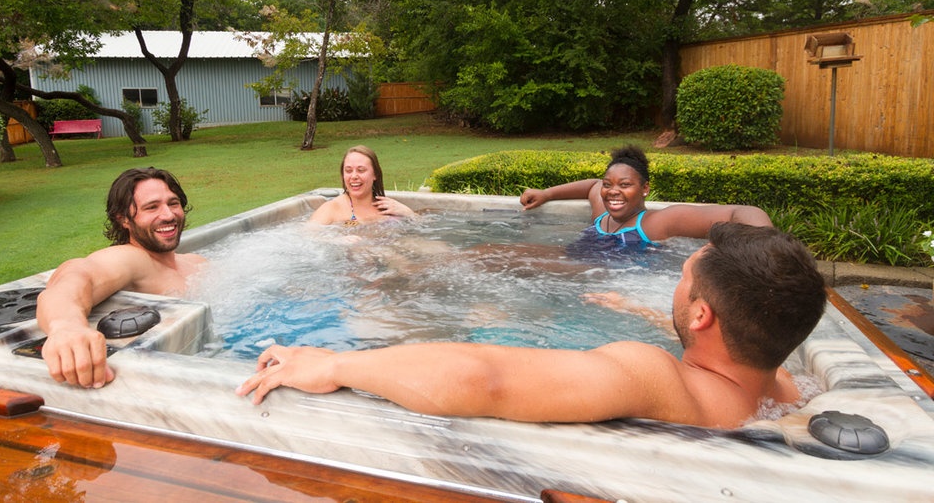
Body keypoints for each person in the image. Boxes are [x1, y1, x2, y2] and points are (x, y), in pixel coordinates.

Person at [236, 223, 827, 430]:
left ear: (701, 316)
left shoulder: (656, 377)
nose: (677, 283)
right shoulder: (786, 389)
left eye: (683, 279)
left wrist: (334, 363)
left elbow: (481, 377)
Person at [36, 167, 206, 388]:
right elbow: (75, 274)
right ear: (124, 219)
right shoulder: (133, 259)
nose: (168, 215)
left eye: (173, 203)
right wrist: (66, 326)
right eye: (152, 207)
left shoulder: (197, 262)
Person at [519, 145, 771, 246]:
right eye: (610, 184)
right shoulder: (601, 215)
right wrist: (546, 193)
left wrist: (767, 246)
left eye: (625, 184)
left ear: (645, 189)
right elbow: (592, 185)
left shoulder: (655, 224)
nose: (613, 191)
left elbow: (743, 212)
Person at [309, 145, 415, 226]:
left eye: (361, 170)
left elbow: (423, 227)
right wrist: (337, 240)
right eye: (348, 171)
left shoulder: (387, 207)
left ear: (375, 174)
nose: (354, 176)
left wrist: (409, 213)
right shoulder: (332, 208)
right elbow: (307, 235)